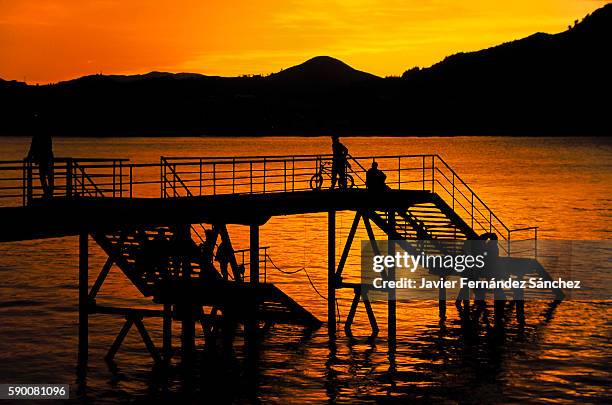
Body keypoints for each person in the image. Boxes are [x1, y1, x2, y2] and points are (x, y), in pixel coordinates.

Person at [26, 114, 54, 198]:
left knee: (44, 176)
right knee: (49, 176)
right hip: (48, 158)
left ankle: (47, 192)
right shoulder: (46, 134)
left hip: (44, 158)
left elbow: (33, 147)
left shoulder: (38, 135)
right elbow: (35, 147)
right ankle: (49, 193)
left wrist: (31, 156)